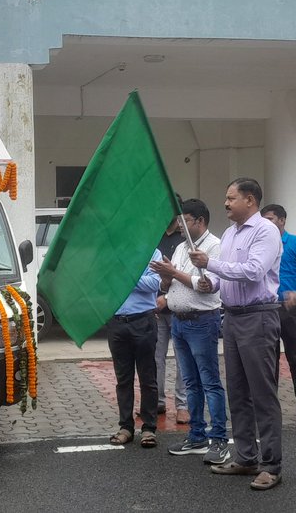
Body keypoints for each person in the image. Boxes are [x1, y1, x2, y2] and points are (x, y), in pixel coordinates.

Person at [189, 177, 284, 491]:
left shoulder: (266, 231)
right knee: (239, 393)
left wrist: (211, 264)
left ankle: (271, 465)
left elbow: (255, 271)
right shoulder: (229, 234)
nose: (226, 203)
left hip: (258, 317)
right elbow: (225, 276)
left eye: (231, 198)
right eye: (226, 198)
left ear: (250, 200)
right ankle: (245, 457)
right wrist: (210, 283)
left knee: (263, 395)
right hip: (231, 317)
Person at [151, 199, 229, 464]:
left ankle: (219, 439)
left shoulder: (215, 246)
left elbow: (206, 285)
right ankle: (197, 436)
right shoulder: (181, 248)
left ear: (200, 221)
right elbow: (170, 283)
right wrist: (165, 276)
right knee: (191, 382)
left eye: (185, 221)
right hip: (179, 322)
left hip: (202, 321)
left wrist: (172, 272)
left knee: (210, 381)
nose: (180, 226)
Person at [260, 204, 296, 429]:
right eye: (264, 219)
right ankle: (270, 412)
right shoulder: (261, 245)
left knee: (295, 358)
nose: (267, 223)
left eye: (271, 219)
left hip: (292, 310)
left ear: (283, 220)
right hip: (266, 309)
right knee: (269, 361)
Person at [103, 246, 162, 449]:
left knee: (147, 378)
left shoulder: (152, 253)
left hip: (143, 321)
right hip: (117, 322)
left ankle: (148, 428)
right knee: (123, 379)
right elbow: (105, 283)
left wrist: (125, 273)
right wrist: (133, 275)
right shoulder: (110, 254)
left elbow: (154, 284)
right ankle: (126, 427)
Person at [152, 216, 188, 423]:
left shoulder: (183, 241)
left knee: (182, 359)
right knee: (156, 357)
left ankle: (182, 405)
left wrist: (167, 297)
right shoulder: (154, 238)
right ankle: (157, 401)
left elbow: (186, 274)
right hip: (156, 309)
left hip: (179, 308)